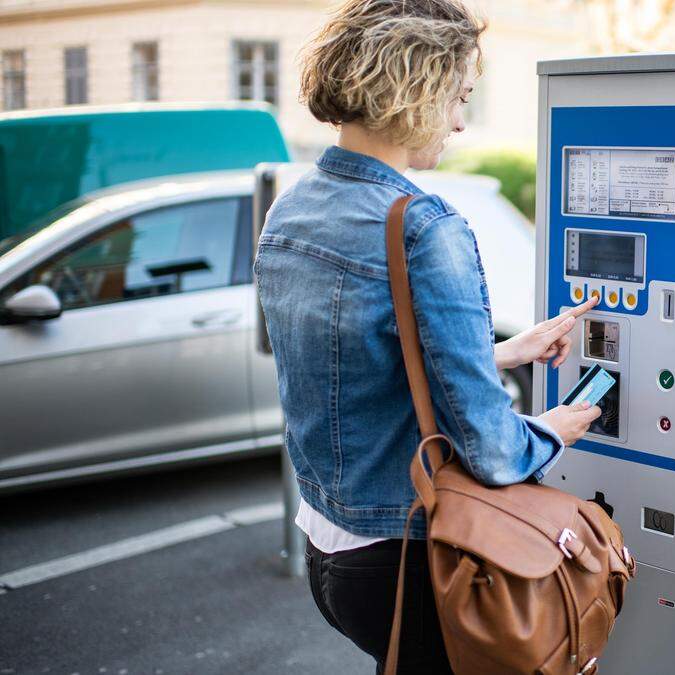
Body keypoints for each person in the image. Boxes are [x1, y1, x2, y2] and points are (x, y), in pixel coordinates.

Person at [253, 1, 602, 672]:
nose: (462, 121)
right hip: (409, 558)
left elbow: (347, 366)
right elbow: (493, 450)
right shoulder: (422, 225)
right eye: (459, 97)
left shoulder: (292, 205)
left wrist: (495, 352)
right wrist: (558, 425)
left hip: (329, 551)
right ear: (417, 88)